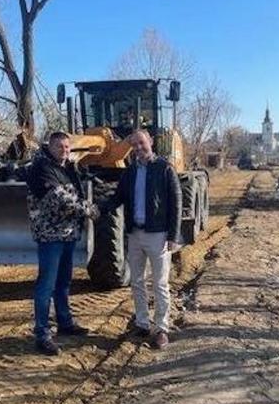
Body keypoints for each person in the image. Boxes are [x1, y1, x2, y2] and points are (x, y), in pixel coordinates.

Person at [103, 129, 182, 349]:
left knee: (159, 284)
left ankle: (161, 329)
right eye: (134, 145)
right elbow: (117, 198)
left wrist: (173, 235)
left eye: (141, 143)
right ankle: (142, 323)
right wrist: (97, 211)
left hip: (158, 235)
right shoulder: (128, 173)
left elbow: (176, 202)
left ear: (151, 142)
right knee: (137, 282)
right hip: (135, 234)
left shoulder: (165, 169)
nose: (138, 148)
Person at [26, 131, 99, 355]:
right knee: (46, 284)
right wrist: (90, 210)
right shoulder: (41, 168)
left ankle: (65, 323)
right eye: (60, 147)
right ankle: (42, 333)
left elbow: (76, 190)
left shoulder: (68, 167)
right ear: (49, 147)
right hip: (50, 236)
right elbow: (60, 198)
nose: (65, 151)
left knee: (63, 282)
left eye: (67, 147)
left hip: (67, 234)